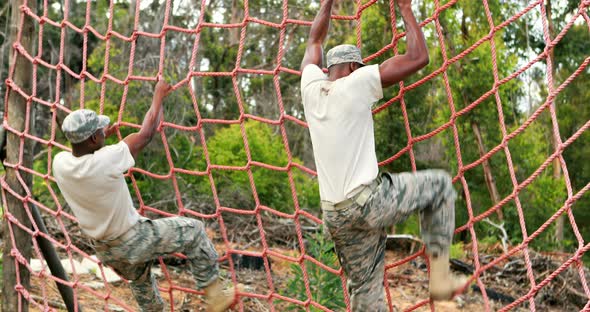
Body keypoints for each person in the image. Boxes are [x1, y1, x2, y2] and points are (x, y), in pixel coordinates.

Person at [300, 0, 466, 310]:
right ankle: (441, 283)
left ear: (328, 69)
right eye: (360, 68)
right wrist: (404, 7)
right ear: (352, 68)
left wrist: (327, 2)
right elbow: (418, 57)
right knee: (441, 187)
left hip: (335, 215)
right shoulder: (357, 83)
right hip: (368, 203)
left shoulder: (310, 88)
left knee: (365, 290)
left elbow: (314, 41)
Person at [53, 80, 238, 312]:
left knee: (141, 280)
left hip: (105, 250)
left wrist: (100, 138)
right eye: (100, 132)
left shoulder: (59, 163)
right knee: (194, 231)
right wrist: (158, 96)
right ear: (93, 140)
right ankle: (215, 296)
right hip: (133, 240)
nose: (104, 133)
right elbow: (146, 133)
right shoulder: (108, 159)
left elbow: (85, 152)